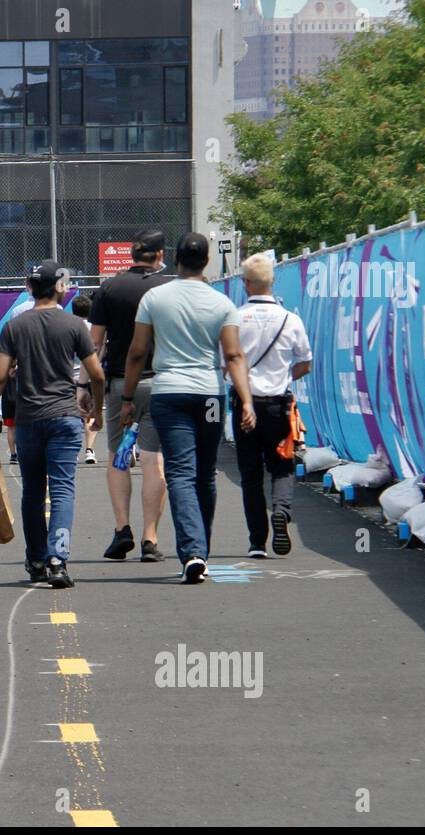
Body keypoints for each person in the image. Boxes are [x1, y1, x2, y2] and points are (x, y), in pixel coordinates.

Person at [120, 233, 256, 585]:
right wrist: (246, 400)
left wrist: (127, 397)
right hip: (210, 397)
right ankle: (201, 548)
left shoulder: (155, 297)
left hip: (169, 395)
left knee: (180, 470)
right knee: (205, 471)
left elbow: (137, 351)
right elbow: (233, 355)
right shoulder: (222, 303)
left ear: (176, 260)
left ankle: (192, 551)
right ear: (206, 261)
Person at [0, 260, 103, 589]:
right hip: (65, 417)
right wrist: (95, 405)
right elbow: (97, 373)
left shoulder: (15, 327)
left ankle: (35, 559)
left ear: (31, 288)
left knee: (33, 491)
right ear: (60, 287)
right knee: (62, 490)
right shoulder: (74, 325)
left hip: (29, 419)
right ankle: (58, 560)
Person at [91, 229, 172, 563]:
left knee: (118, 456)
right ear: (159, 254)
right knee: (154, 460)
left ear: (132, 254)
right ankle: (150, 538)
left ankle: (122, 528)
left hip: (120, 385)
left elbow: (94, 344)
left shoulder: (109, 288)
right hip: (162, 383)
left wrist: (86, 389)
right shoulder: (170, 287)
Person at [231, 254, 313, 558]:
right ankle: (281, 510)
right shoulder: (291, 319)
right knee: (282, 465)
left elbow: (227, 362)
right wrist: (283, 374)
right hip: (280, 404)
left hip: (244, 404)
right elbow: (306, 362)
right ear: (272, 282)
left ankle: (257, 541)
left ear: (246, 283)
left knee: (250, 473)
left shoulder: (235, 318)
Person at [70, 294, 99, 464]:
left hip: (70, 377)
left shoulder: (68, 327)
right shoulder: (94, 328)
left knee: (73, 414)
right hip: (89, 375)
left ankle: (73, 450)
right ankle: (89, 449)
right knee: (90, 413)